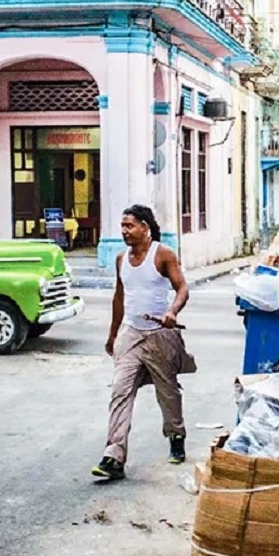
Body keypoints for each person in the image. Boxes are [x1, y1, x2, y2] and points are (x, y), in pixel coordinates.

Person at [92, 205, 192, 481]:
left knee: (167, 391)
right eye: (122, 226)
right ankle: (113, 456)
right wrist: (113, 334)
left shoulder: (163, 254)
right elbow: (119, 298)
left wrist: (172, 312)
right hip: (131, 333)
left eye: (130, 226)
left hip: (160, 334)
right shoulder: (121, 259)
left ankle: (176, 435)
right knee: (120, 391)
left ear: (145, 228)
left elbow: (182, 287)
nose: (124, 231)